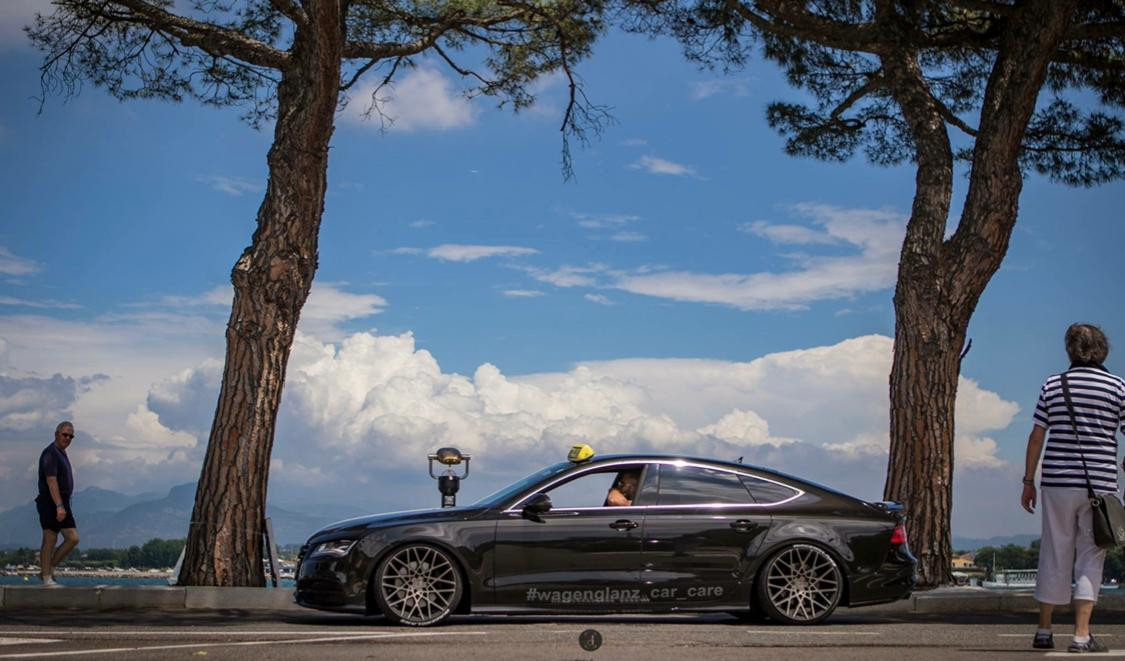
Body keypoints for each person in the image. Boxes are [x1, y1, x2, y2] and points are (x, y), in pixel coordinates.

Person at [1021, 324, 1125, 653]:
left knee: (1054, 551)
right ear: (1102, 349)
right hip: (1100, 486)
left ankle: (1044, 630)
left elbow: (1037, 435)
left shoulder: (1053, 385)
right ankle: (1081, 636)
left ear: (1070, 349)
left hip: (1057, 481)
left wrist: (1028, 481)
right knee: (1092, 556)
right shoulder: (1118, 386)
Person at [36, 421, 80, 587]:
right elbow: (51, 479)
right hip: (51, 501)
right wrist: (59, 506)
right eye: (65, 434)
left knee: (73, 538)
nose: (68, 438)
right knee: (50, 538)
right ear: (56, 434)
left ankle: (47, 569)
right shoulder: (50, 453)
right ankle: (47, 578)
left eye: (71, 436)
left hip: (63, 501)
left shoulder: (61, 453)